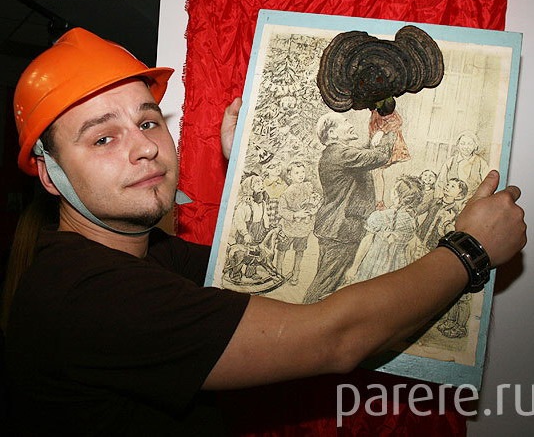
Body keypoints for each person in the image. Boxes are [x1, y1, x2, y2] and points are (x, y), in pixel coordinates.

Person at [2, 28, 526, 436]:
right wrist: (471, 250)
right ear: (50, 174)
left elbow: (270, 285)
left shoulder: (148, 256)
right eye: (102, 138)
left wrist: (253, 166)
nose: (143, 147)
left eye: (147, 122)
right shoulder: (87, 295)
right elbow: (335, 338)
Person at [303, 112, 396, 303]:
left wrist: (373, 138)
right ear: (332, 133)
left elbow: (363, 154)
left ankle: (312, 315)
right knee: (325, 286)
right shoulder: (341, 154)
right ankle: (305, 316)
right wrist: (388, 133)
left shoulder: (336, 154)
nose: (350, 124)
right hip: (342, 230)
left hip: (336, 228)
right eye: (345, 122)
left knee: (329, 285)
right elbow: (379, 157)